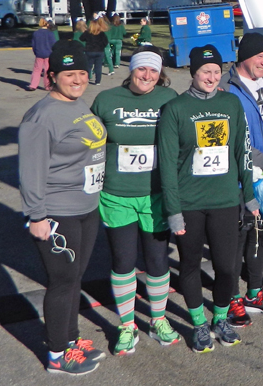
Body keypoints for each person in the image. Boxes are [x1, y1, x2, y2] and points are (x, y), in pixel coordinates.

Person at [157, 44, 259, 352]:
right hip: (189, 203)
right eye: (205, 71)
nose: (211, 77)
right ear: (193, 73)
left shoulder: (231, 104)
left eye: (216, 71)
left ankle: (220, 318)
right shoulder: (175, 109)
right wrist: (173, 210)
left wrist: (250, 196)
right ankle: (199, 323)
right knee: (189, 264)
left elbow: (243, 153)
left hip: (225, 200)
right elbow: (168, 164)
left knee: (227, 266)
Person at [18, 40, 107, 375]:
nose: (78, 79)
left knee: (75, 278)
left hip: (86, 207)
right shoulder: (41, 117)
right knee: (62, 281)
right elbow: (31, 171)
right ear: (52, 75)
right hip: (56, 212)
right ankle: (57, 355)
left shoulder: (79, 104)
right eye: (70, 74)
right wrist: (36, 216)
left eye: (82, 73)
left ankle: (70, 339)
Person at [90, 47, 181, 354]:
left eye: (153, 72)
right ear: (132, 71)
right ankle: (127, 325)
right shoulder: (106, 100)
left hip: (155, 196)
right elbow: (89, 145)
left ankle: (158, 320)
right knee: (123, 261)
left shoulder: (168, 100)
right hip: (117, 196)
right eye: (142, 70)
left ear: (160, 74)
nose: (147, 76)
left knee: (157, 262)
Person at [220, 32, 263, 321]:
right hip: (238, 175)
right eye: (260, 56)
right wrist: (261, 159)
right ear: (244, 56)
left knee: (260, 233)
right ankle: (232, 296)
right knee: (237, 236)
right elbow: (230, 133)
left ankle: (254, 292)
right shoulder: (226, 86)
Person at [28, 18, 56, 92]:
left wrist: (36, 52)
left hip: (39, 53)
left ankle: (33, 85)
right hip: (48, 54)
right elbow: (53, 44)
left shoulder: (36, 33)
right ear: (47, 24)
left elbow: (34, 45)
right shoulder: (50, 33)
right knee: (47, 70)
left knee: (37, 70)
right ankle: (47, 86)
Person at [81, 18, 108, 86]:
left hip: (89, 51)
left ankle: (87, 79)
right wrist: (101, 46)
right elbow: (106, 42)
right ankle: (98, 81)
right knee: (98, 67)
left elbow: (81, 38)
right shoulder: (102, 33)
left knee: (88, 66)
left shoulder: (87, 33)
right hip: (99, 51)